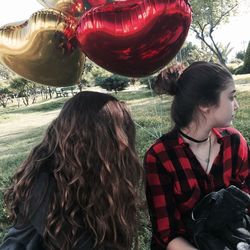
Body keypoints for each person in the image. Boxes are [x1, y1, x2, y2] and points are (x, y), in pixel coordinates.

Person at [0, 91, 143, 250]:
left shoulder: (94, 174)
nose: (124, 143)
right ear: (87, 134)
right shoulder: (44, 183)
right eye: (113, 132)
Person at [144, 61, 250, 250]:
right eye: (231, 97)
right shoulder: (160, 157)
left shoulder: (234, 142)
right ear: (204, 104)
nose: (237, 105)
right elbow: (167, 234)